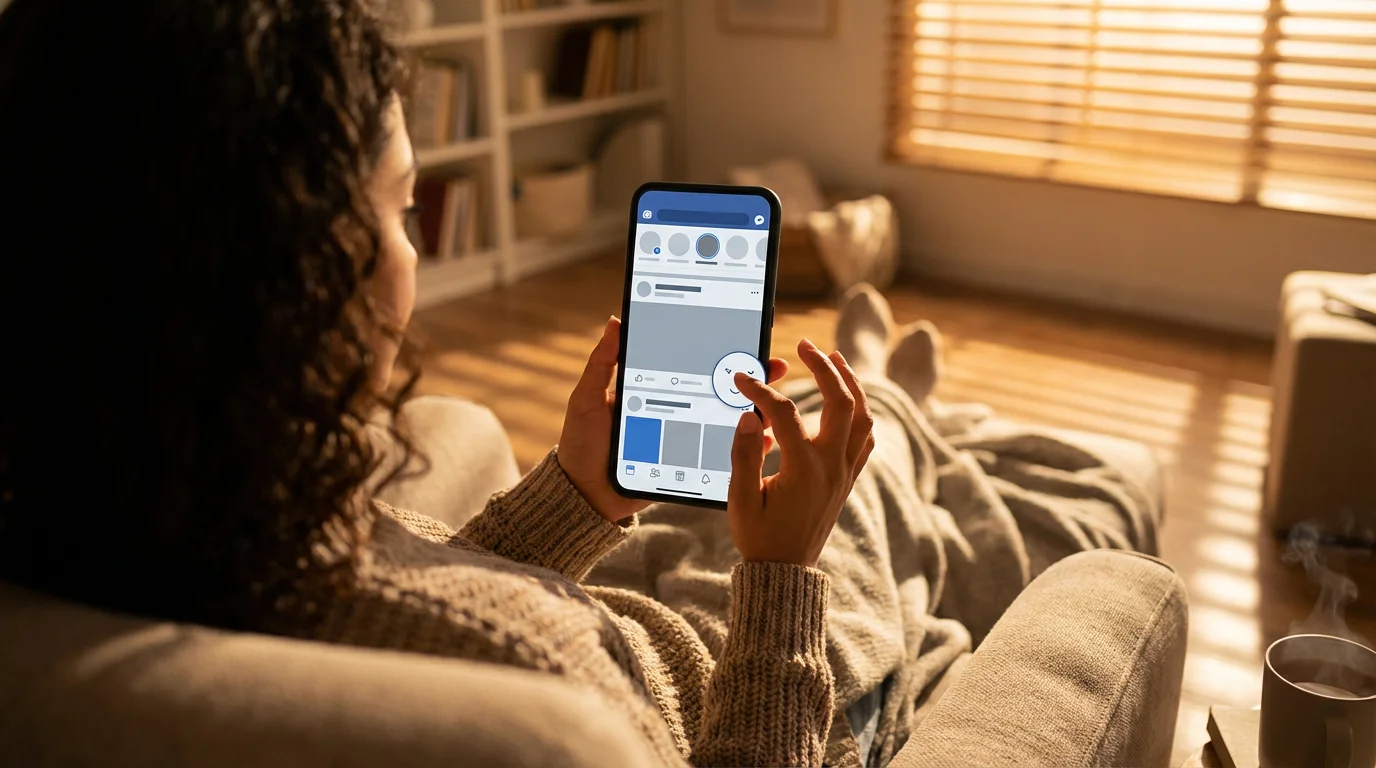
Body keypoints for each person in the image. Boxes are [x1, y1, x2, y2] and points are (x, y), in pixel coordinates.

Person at [0, 1, 1158, 766]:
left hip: (632, 635)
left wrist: (580, 494)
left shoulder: (158, 492)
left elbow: (428, 582)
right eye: (404, 208)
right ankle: (911, 410)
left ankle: (899, 409)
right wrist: (779, 573)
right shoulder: (519, 701)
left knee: (741, 469)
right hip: (749, 698)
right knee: (846, 498)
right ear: (301, 273)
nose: (419, 247)